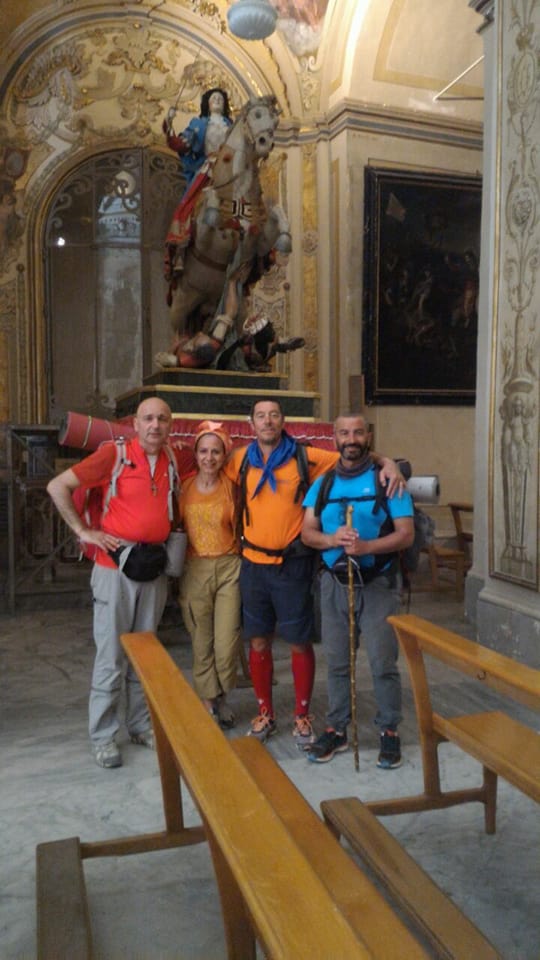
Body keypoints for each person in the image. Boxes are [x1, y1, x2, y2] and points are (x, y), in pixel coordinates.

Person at [223, 398, 404, 747]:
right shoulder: (240, 459)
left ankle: (302, 715)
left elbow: (355, 456)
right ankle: (265, 712)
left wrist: (390, 464)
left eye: (274, 415)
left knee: (298, 639)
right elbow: (207, 467)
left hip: (292, 565)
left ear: (283, 421)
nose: (267, 421)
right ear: (251, 423)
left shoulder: (306, 457)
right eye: (261, 416)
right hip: (253, 563)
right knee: (258, 640)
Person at [47, 398, 184, 769]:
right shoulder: (115, 455)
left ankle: (139, 725)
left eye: (162, 419)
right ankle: (104, 736)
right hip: (114, 568)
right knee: (111, 657)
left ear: (170, 425)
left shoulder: (172, 458)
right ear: (135, 424)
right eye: (148, 418)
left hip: (152, 568)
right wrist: (83, 531)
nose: (155, 425)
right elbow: (58, 486)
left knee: (146, 655)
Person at [301, 412, 414, 768]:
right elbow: (307, 533)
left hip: (377, 583)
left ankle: (389, 729)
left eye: (358, 433)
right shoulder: (323, 484)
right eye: (344, 433)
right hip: (335, 583)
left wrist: (366, 547)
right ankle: (336, 728)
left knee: (382, 661)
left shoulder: (387, 480)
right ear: (334, 438)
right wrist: (332, 539)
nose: (351, 439)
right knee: (337, 661)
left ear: (368, 437)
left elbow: (405, 534)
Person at [178, 420, 241, 727]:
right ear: (195, 453)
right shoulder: (184, 488)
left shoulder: (233, 488)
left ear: (224, 455)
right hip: (195, 568)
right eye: (203, 451)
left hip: (230, 567)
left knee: (226, 644)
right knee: (201, 642)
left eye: (216, 451)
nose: (209, 458)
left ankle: (222, 694)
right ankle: (209, 702)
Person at [164, 88, 233, 281]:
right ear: (207, 104)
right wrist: (169, 126)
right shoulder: (199, 124)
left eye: (220, 98)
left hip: (230, 169)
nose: (217, 100)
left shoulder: (233, 126)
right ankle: (180, 250)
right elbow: (181, 144)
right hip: (209, 168)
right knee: (187, 206)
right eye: (214, 98)